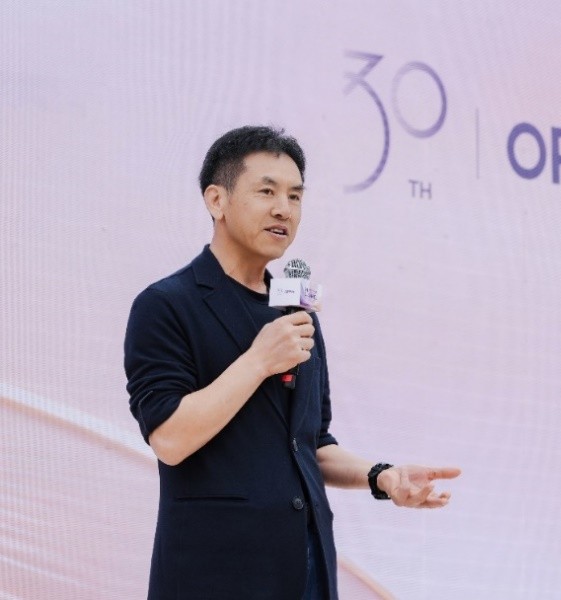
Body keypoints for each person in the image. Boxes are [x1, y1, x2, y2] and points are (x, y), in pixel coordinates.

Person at [124, 125, 460, 599]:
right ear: (217, 200)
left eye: (295, 196)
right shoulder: (167, 305)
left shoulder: (295, 312)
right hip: (216, 574)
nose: (284, 209)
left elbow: (312, 444)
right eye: (267, 192)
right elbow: (170, 439)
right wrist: (257, 361)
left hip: (307, 570)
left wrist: (381, 476)